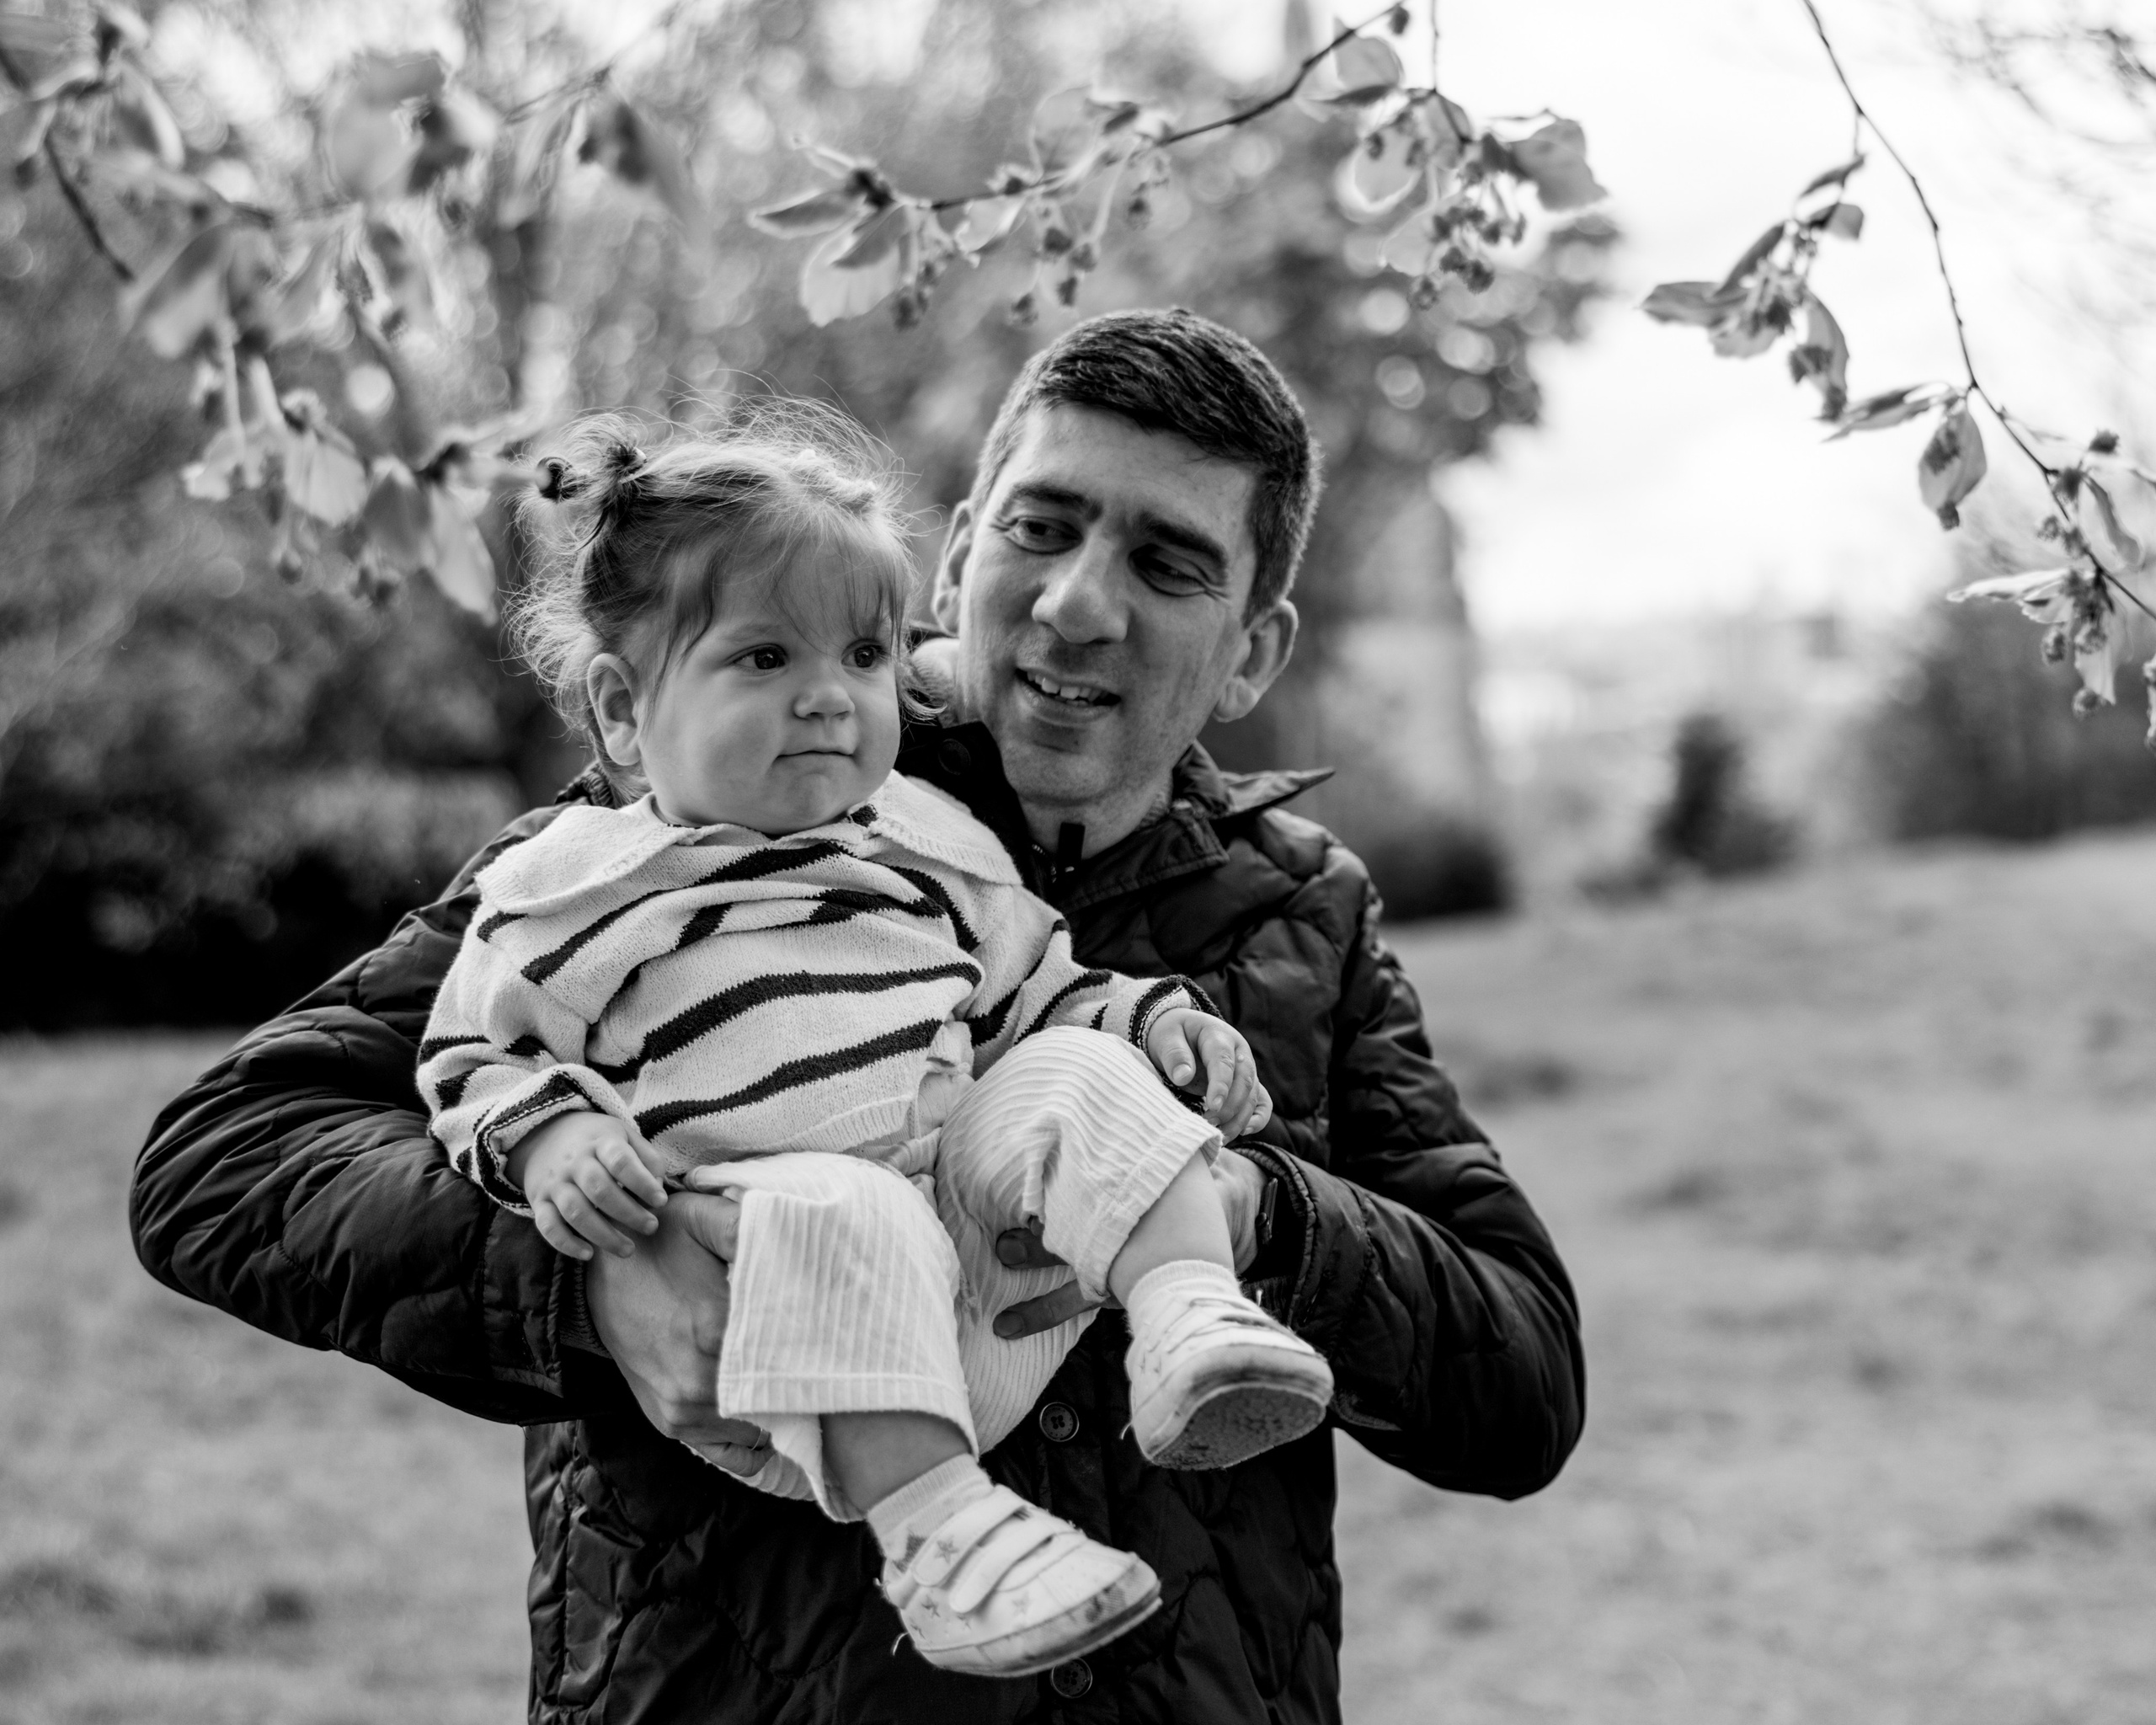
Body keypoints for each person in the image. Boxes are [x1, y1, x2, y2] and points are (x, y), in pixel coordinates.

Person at [132, 308, 1584, 1723]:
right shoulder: (687, 809)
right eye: (1042, 526)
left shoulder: (1301, 919)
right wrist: (588, 1284)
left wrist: (1240, 1212)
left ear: (1256, 651)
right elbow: (225, 1160)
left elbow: (1519, 1382)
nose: (1080, 601)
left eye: (1167, 560)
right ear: (961, 552)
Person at [422, 407, 1332, 1677]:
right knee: (839, 1205)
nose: (829, 699)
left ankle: (1191, 1321)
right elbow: (472, 1058)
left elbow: (1041, 996)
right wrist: (554, 1136)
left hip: (994, 1286)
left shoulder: (931, 850)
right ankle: (946, 1542)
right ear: (626, 712)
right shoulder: (576, 888)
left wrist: (1152, 1030)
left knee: (1078, 1072)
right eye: (760, 658)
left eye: (861, 653)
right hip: (789, 1339)